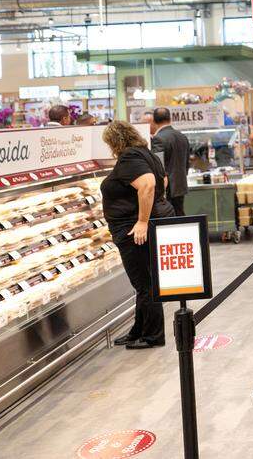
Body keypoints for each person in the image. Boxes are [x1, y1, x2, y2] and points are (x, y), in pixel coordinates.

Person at [100, 120, 176, 349]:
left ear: (115, 141)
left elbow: (149, 185)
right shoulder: (146, 153)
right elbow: (163, 180)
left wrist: (142, 221)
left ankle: (153, 335)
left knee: (145, 284)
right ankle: (139, 330)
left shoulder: (129, 158)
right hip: (140, 225)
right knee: (144, 283)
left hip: (134, 230)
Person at [149, 107, 191, 215]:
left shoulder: (158, 139)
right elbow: (187, 163)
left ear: (154, 120)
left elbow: (159, 166)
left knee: (169, 220)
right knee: (180, 216)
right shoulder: (182, 136)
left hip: (167, 189)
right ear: (170, 118)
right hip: (180, 186)